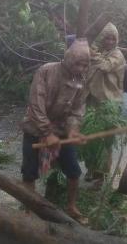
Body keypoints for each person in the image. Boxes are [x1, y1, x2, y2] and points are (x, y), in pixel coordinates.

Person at [21, 38, 91, 222]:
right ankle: (28, 209)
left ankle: (71, 206)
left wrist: (73, 130)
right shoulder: (46, 71)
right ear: (68, 59)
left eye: (85, 65)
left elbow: (77, 109)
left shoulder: (81, 80)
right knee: (29, 172)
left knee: (74, 171)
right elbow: (36, 104)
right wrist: (46, 132)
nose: (82, 69)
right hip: (35, 128)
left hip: (61, 130)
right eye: (79, 64)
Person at [84, 22, 126, 183]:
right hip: (93, 102)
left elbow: (105, 67)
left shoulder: (117, 55)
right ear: (102, 39)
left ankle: (103, 175)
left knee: (106, 141)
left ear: (116, 40)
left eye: (112, 39)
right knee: (90, 137)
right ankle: (91, 169)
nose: (109, 41)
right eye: (106, 38)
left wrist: (91, 53)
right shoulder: (99, 52)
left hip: (110, 104)